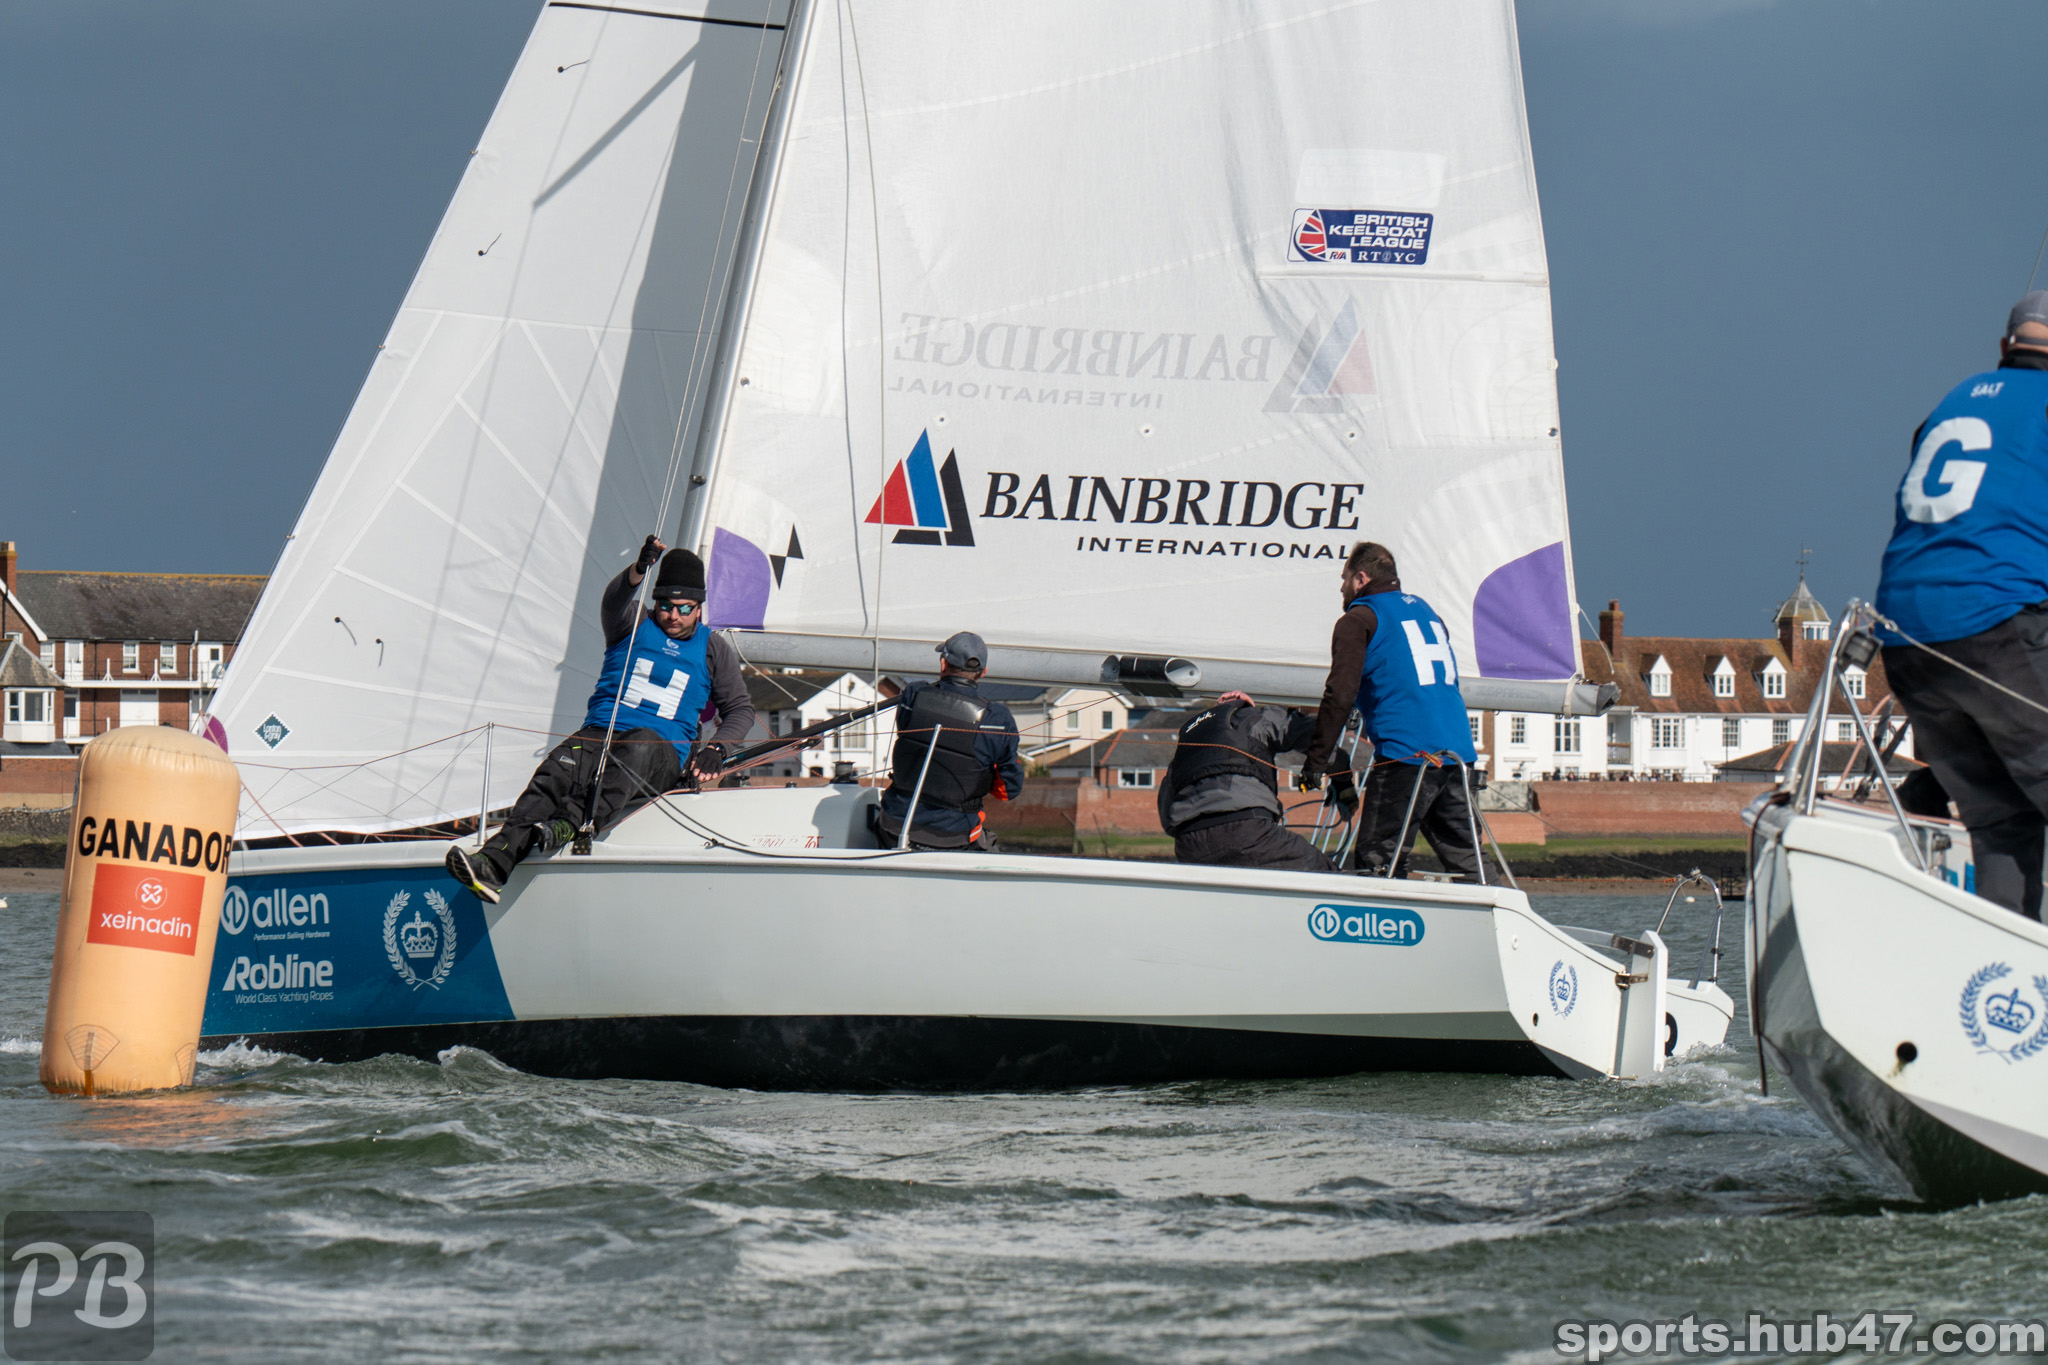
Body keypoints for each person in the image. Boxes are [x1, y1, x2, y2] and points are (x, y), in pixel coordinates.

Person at [445, 536, 757, 901]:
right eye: (665, 606)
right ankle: (492, 864)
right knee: (556, 771)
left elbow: (740, 709)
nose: (673, 616)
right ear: (655, 603)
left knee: (640, 744)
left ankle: (567, 825)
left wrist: (717, 749)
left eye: (684, 608)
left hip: (659, 756)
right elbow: (613, 601)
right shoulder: (632, 623)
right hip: (601, 736)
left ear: (699, 609)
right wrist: (638, 569)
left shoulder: (713, 649)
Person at [1875, 291, 2048, 920]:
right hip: (1996, 627)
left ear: (2006, 347)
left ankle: (2009, 962)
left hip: (1904, 638)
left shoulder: (1951, 403)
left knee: (2004, 820)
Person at [1296, 541, 1483, 881]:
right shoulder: (1426, 611)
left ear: (1361, 579)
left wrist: (1315, 764)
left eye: (1344, 578)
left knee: (1378, 860)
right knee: (1470, 863)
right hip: (1458, 755)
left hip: (1407, 755)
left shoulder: (1358, 620)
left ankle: (1378, 914)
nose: (1341, 587)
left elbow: (1339, 695)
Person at [876, 632, 1024, 850]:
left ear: (943, 663)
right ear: (983, 672)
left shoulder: (913, 695)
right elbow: (1008, 790)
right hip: (955, 837)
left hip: (894, 826)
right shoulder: (997, 719)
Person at [1157, 691, 1332, 871]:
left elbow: (1166, 811)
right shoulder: (1254, 716)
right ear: (1246, 703)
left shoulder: (1187, 743)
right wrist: (1343, 779)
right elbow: (1320, 739)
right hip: (1248, 829)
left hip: (1190, 844)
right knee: (1324, 871)